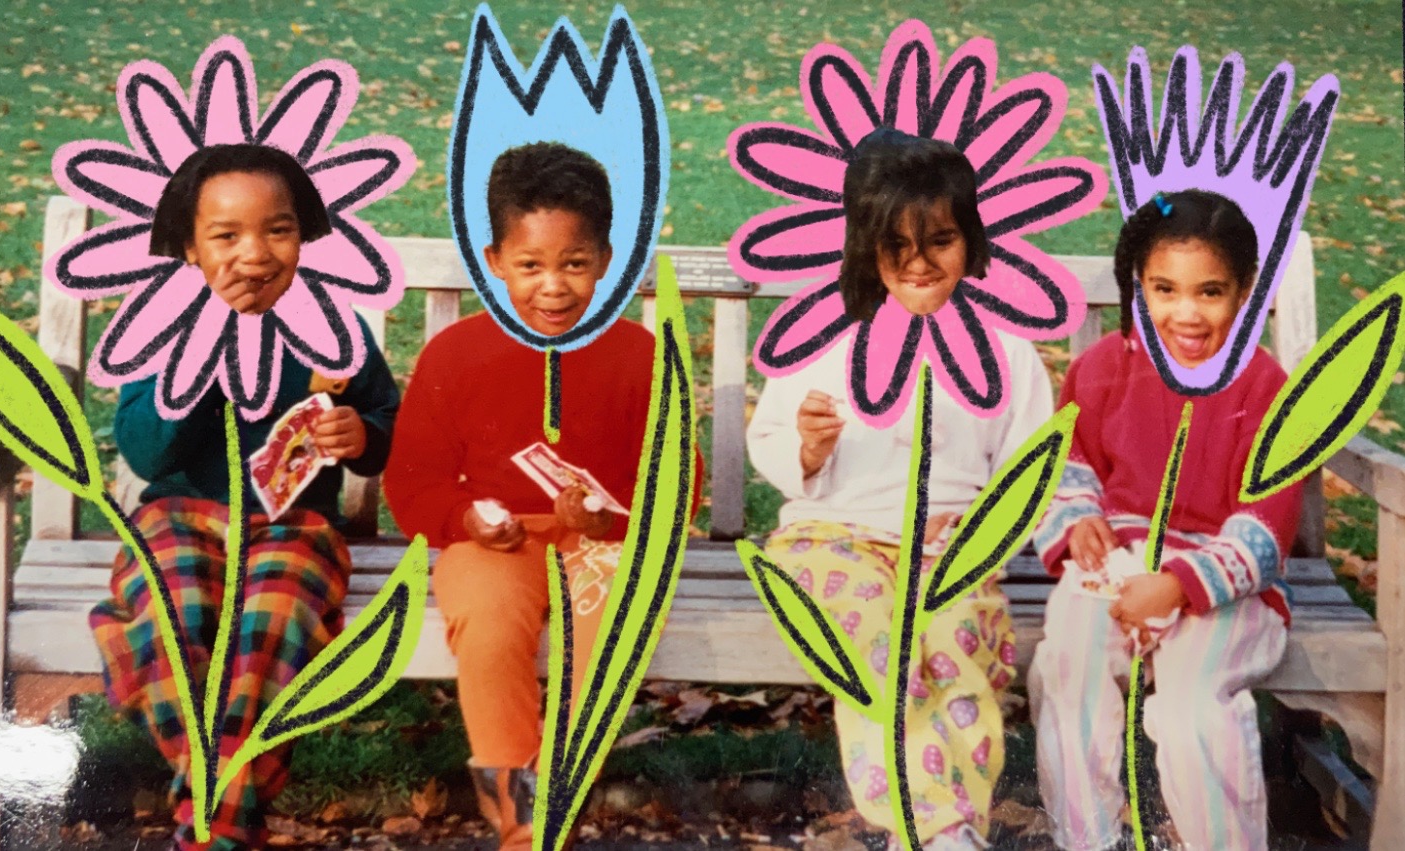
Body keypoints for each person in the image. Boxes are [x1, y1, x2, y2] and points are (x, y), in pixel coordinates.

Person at [384, 141, 698, 850]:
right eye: (530, 265)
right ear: (494, 260)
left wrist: (609, 517)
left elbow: (678, 481)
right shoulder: (456, 354)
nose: (552, 287)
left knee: (613, 624)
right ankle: (520, 823)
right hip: (493, 543)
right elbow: (413, 481)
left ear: (605, 260)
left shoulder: (640, 357)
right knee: (489, 623)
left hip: (606, 542)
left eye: (574, 264)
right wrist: (465, 518)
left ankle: (558, 791)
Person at [747, 128, 1054, 851]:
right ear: (862, 243)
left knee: (957, 645)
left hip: (950, 550)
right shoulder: (824, 335)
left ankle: (946, 830)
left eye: (940, 241)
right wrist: (808, 447)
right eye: (895, 245)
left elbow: (1029, 469)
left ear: (970, 239)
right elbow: (769, 438)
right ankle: (935, 826)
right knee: (876, 644)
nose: (918, 263)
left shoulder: (1002, 349)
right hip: (833, 540)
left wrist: (979, 527)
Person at [89, 143, 401, 850]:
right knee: (171, 624)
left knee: (269, 632)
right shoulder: (168, 327)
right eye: (226, 236)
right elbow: (146, 451)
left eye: (277, 230)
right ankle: (227, 823)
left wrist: (362, 433)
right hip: (177, 517)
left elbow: (382, 415)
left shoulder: (329, 326)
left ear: (305, 234)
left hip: (294, 524)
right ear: (189, 248)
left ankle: (208, 827)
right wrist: (202, 362)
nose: (254, 254)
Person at [1028, 189, 1304, 851]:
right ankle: (1088, 839)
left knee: (1190, 711)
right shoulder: (1102, 368)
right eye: (1164, 289)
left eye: (1209, 291)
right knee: (1067, 665)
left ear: (1243, 291)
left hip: (1223, 587)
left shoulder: (1263, 387)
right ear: (1139, 286)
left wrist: (1179, 584)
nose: (1186, 312)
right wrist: (1078, 520)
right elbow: (1067, 464)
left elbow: (1265, 526)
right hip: (1116, 574)